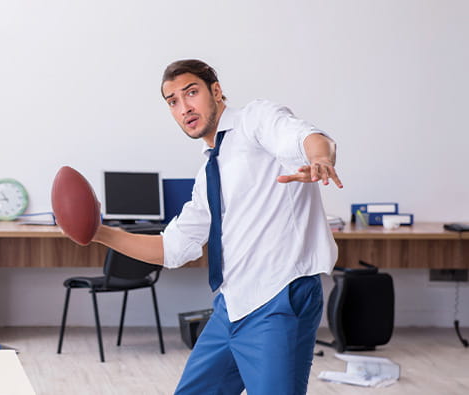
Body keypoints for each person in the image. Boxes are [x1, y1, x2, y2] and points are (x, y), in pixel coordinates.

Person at [86, 59, 343, 394]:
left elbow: (304, 136)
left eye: (191, 92)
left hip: (279, 299)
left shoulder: (255, 120)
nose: (184, 107)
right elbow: (173, 249)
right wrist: (99, 233)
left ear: (216, 91)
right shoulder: (208, 172)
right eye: (173, 101)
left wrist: (320, 157)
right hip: (231, 305)